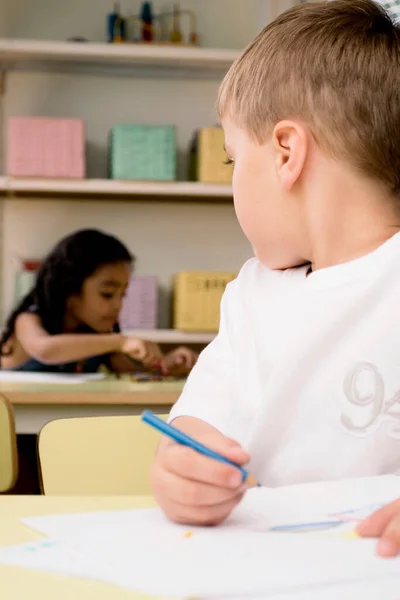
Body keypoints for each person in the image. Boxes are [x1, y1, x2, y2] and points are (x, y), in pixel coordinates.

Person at [150, 0, 400, 558]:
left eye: (232, 160)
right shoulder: (253, 295)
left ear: (287, 152)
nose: (232, 180)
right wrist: (184, 468)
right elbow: (197, 422)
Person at [0, 229, 197, 375]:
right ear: (70, 290)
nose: (118, 306)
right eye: (107, 294)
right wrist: (121, 341)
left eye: (123, 295)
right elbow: (45, 349)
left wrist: (164, 365)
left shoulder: (97, 335)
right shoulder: (28, 320)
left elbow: (130, 373)